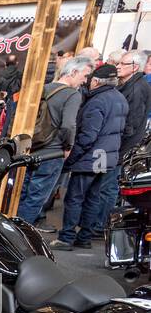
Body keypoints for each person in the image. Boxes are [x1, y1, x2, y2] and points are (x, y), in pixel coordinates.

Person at [54, 63, 127, 251]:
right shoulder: (120, 98)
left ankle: (67, 238)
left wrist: (70, 159)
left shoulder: (97, 101)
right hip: (106, 156)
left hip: (91, 156)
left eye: (90, 79)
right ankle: (84, 237)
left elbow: (88, 137)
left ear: (96, 81)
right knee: (93, 196)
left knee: (75, 197)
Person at [18, 57, 90, 226]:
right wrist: (68, 147)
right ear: (73, 72)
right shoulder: (72, 95)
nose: (85, 81)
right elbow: (68, 125)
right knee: (36, 198)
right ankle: (20, 236)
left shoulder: (43, 89)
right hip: (52, 152)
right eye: (85, 75)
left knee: (22, 193)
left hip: (31, 147)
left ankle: (12, 231)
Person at [117, 49, 151, 158]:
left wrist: (115, 145)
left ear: (135, 67)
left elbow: (131, 125)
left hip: (120, 149)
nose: (117, 66)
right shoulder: (129, 84)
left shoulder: (137, 89)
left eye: (122, 64)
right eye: (118, 63)